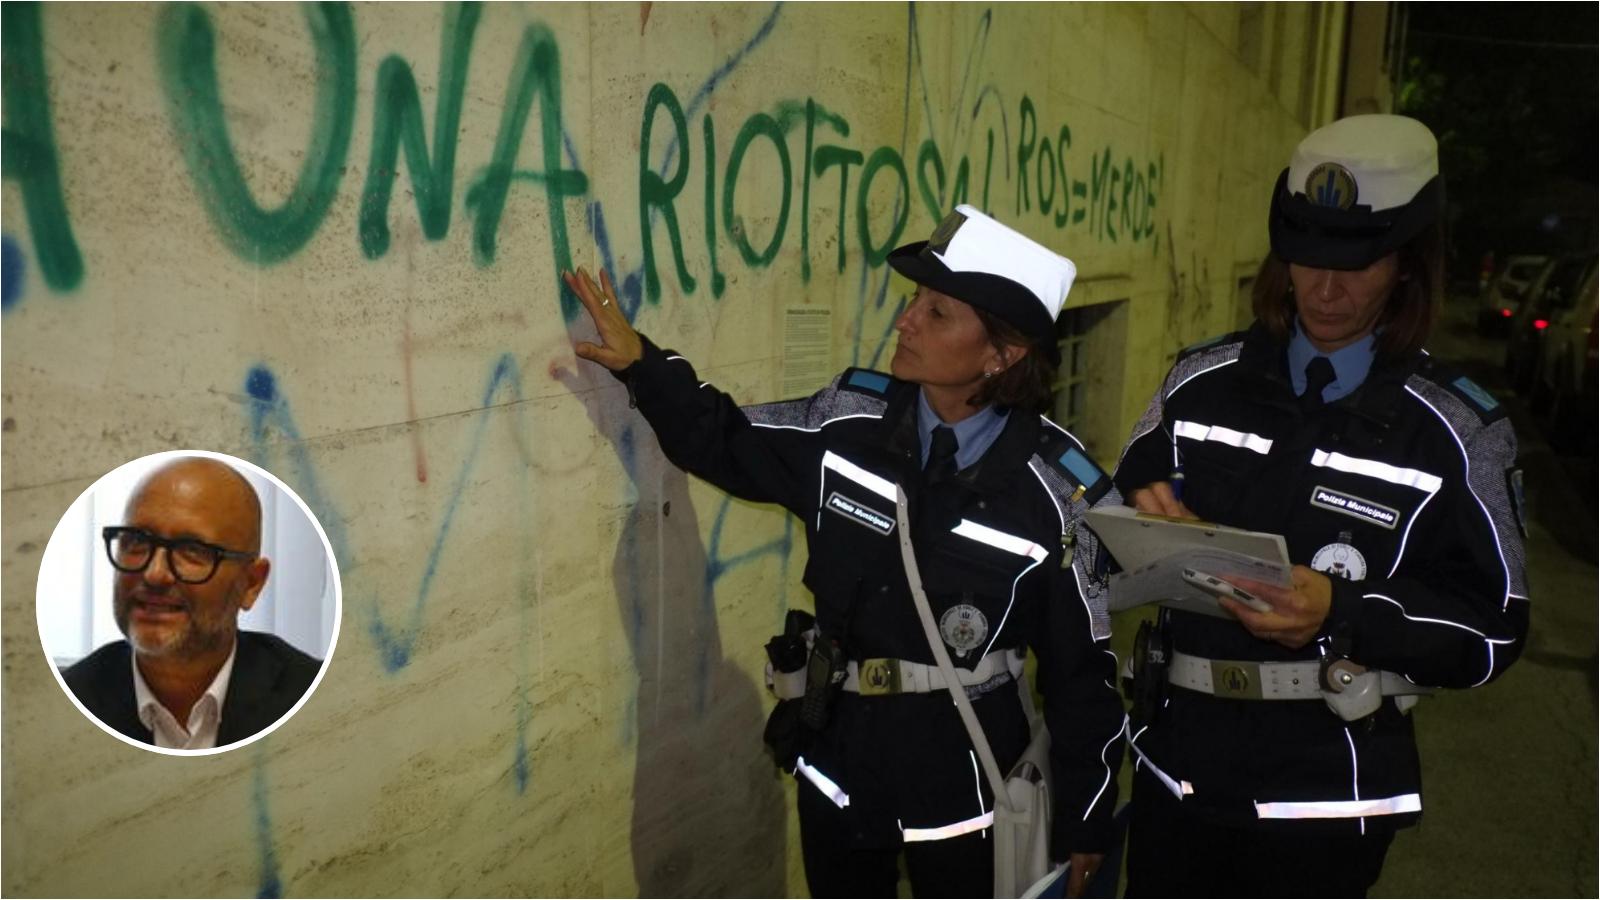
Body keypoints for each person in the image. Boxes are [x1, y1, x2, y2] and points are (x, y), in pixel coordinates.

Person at [566, 204, 1125, 898]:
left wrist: (1087, 822)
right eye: (916, 300)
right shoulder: (847, 422)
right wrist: (643, 366)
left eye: (938, 312)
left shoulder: (1058, 495)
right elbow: (726, 439)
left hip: (967, 802)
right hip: (839, 776)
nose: (906, 320)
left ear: (1001, 353)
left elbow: (1083, 678)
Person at [1111, 114, 1529, 896]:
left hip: (1329, 802)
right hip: (1178, 775)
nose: (1326, 289)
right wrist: (1132, 522)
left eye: (1358, 263)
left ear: (1407, 265)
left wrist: (1344, 609)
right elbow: (1097, 535)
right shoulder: (1197, 383)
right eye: (1308, 257)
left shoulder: (1458, 430)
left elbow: (1495, 627)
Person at [64, 457, 322, 750]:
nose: (155, 574)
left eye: (191, 550)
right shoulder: (67, 701)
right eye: (137, 542)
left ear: (251, 584)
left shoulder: (318, 699)